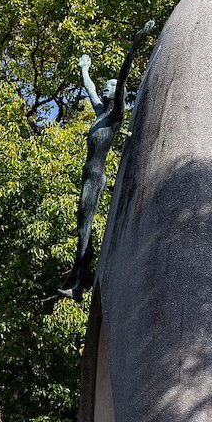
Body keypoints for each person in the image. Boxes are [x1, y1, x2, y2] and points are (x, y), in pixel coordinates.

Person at [58, 20, 154, 300]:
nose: (105, 88)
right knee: (81, 230)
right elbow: (89, 88)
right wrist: (84, 70)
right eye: (105, 86)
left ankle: (78, 285)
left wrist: (136, 43)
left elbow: (123, 76)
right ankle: (79, 280)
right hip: (87, 176)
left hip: (96, 177)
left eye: (109, 87)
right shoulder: (100, 113)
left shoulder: (114, 117)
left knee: (84, 230)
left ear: (119, 93)